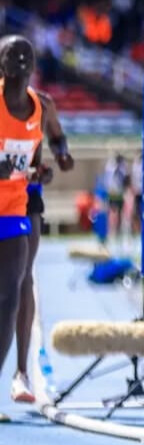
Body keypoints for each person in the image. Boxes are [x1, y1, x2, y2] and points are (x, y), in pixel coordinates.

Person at [10, 75, 73, 405]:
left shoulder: (43, 104)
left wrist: (60, 158)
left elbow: (58, 140)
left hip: (27, 197)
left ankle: (22, 372)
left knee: (24, 276)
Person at [0, 36, 47, 420]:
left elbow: (38, 157)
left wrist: (41, 171)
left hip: (14, 207)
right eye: (11, 54)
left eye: (25, 54)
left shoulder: (41, 107)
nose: (19, 58)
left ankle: (18, 373)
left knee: (12, 292)